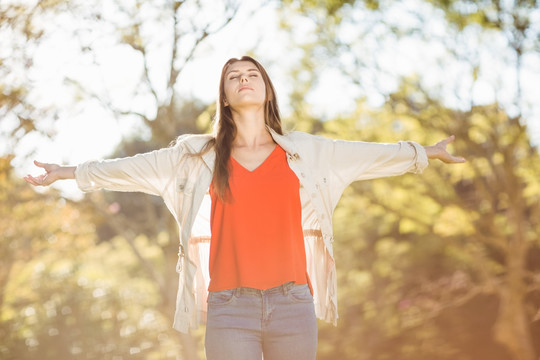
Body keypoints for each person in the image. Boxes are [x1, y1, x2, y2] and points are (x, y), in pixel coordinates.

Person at [25, 56, 465, 360]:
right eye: (233, 76)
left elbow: (369, 155)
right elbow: (126, 169)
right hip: (229, 308)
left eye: (252, 73)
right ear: (225, 95)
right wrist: (66, 172)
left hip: (293, 303)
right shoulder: (194, 157)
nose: (243, 79)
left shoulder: (307, 153)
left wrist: (425, 152)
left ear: (266, 88)